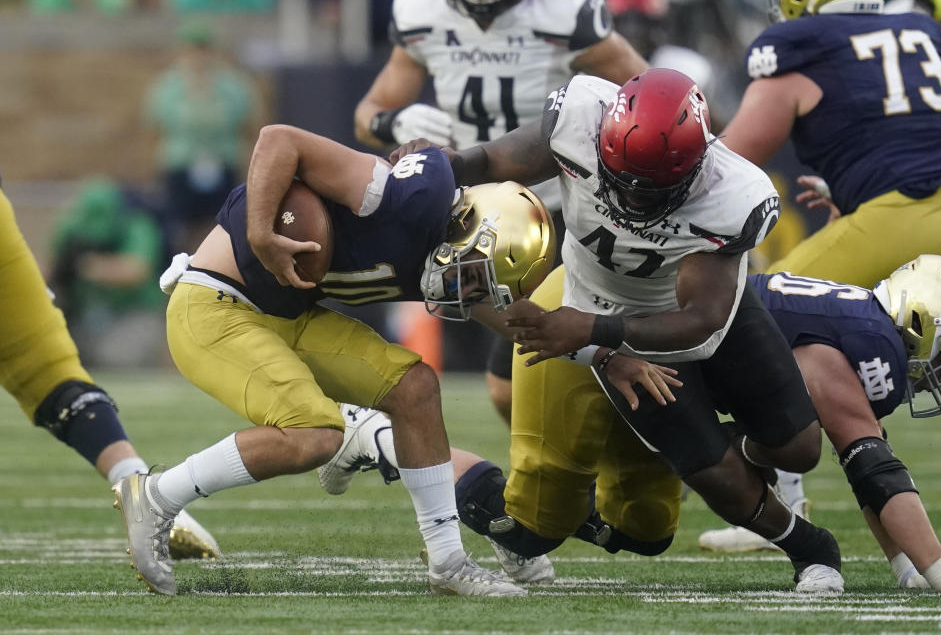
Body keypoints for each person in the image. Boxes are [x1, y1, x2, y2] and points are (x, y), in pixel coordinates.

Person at [391, 67, 846, 593]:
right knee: (707, 480)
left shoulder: (733, 193)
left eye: (647, 188)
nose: (628, 196)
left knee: (799, 448)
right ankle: (811, 547)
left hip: (688, 318)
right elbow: (493, 159)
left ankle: (718, 446)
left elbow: (702, 320)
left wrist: (591, 329)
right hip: (605, 315)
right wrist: (448, 165)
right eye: (617, 175)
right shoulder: (580, 116)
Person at [113, 124, 591, 597]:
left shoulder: (449, 254)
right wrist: (261, 232)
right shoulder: (407, 198)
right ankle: (156, 495)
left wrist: (609, 353)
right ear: (465, 229)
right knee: (314, 433)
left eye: (479, 288)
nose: (466, 295)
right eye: (471, 278)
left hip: (288, 316)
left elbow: (529, 324)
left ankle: (447, 562)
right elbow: (278, 139)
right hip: (215, 304)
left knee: (415, 387)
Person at [354, 0, 650, 424]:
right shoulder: (421, 12)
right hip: (480, 210)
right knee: (508, 390)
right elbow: (367, 114)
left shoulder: (564, 12)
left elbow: (647, 96)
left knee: (576, 358)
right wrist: (394, 123)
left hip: (562, 206)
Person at [318, 263, 684, 585]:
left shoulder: (718, 224)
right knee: (530, 530)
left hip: (647, 322)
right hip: (577, 303)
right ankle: (372, 435)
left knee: (646, 531)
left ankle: (513, 506)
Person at [695, 260, 941, 594]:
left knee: (800, 444)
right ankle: (737, 447)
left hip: (703, 347)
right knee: (645, 524)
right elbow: (877, 471)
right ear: (923, 320)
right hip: (673, 351)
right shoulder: (872, 340)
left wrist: (907, 568)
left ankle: (739, 445)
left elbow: (872, 479)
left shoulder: (864, 321)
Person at [0, 177, 219, 562]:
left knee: (60, 366)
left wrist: (83, 267)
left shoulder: (133, 224)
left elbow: (135, 269)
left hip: (132, 319)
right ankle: (138, 488)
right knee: (50, 372)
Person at [720, 0, 941, 289]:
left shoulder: (800, 52)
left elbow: (719, 171)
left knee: (756, 303)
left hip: (907, 214)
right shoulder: (918, 30)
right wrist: (855, 186)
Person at [143, 18, 259, 254]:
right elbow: (154, 130)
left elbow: (249, 126)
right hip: (181, 166)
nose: (198, 56)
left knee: (225, 225)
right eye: (192, 49)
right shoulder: (167, 87)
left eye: (203, 49)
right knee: (176, 227)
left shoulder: (233, 86)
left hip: (223, 163)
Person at [48, 178, 167, 369]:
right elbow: (47, 271)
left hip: (133, 313)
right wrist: (59, 272)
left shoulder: (138, 226)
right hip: (83, 315)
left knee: (116, 359)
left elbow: (136, 271)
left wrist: (88, 266)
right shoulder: (69, 229)